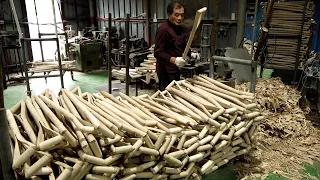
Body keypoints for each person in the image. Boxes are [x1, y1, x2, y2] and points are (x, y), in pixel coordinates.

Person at [154, 1, 188, 91]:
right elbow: (158, 52)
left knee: (176, 95)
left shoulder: (180, 29)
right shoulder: (163, 29)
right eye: (176, 15)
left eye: (182, 15)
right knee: (167, 96)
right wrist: (174, 60)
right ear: (169, 14)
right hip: (165, 71)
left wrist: (190, 53)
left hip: (175, 69)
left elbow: (182, 45)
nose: (180, 18)